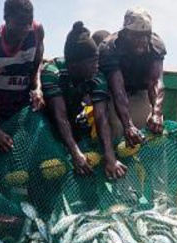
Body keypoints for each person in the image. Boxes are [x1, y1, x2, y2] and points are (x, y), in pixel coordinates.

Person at [41, 22, 126, 179]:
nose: (96, 66)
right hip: (46, 125)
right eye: (92, 62)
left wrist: (110, 156)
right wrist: (75, 152)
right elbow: (60, 116)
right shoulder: (52, 72)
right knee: (47, 171)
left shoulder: (96, 76)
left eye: (97, 60)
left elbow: (101, 117)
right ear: (74, 64)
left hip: (74, 121)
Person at [0, 0, 45, 153]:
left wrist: (38, 88)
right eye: (20, 24)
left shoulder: (37, 31)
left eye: (28, 23)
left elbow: (36, 66)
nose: (25, 29)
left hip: (19, 100)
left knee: (23, 149)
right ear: (6, 18)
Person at [98, 7, 166, 147]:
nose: (142, 40)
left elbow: (155, 81)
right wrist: (128, 125)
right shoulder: (109, 47)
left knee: (155, 132)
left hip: (141, 92)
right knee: (119, 129)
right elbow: (118, 90)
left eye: (146, 35)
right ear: (125, 33)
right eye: (136, 35)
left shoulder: (156, 45)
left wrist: (157, 113)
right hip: (114, 94)